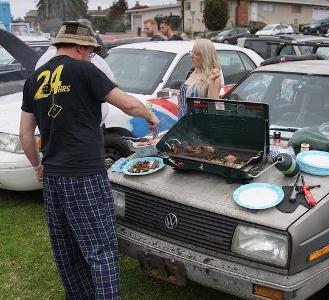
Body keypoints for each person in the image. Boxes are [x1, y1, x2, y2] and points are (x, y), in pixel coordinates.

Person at [19, 21, 159, 300]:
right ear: (80, 47)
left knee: (66, 250)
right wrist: (150, 116)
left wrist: (37, 166)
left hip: (53, 178)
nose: (91, 56)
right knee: (101, 249)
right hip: (85, 175)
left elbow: (25, 133)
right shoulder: (85, 70)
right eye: (90, 51)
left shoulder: (34, 79)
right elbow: (127, 104)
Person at [35, 45, 114, 126]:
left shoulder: (40, 67)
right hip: (88, 130)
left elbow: (25, 132)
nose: (90, 59)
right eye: (90, 53)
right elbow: (124, 103)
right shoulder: (88, 67)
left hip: (49, 131)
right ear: (80, 47)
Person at [177, 39, 221, 118]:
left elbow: (213, 106)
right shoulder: (193, 72)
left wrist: (211, 82)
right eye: (192, 52)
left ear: (205, 56)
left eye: (196, 54)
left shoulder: (213, 77)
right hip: (183, 123)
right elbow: (189, 91)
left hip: (197, 125)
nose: (191, 56)